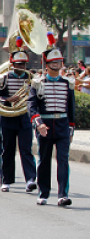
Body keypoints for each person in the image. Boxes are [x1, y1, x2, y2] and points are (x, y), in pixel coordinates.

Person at [28, 36, 75, 206]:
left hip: (62, 126)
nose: (57, 66)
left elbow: (71, 108)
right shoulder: (37, 83)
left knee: (63, 160)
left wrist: (71, 129)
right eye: (53, 63)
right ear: (46, 64)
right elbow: (31, 106)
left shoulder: (67, 83)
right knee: (44, 160)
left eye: (59, 62)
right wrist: (38, 123)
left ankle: (63, 194)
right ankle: (44, 192)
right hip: (45, 127)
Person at [0, 46, 37, 192]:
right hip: (7, 117)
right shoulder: (3, 78)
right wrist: (9, 99)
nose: (21, 67)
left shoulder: (31, 78)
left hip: (24, 118)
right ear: (12, 64)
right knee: (8, 150)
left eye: (23, 64)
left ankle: (31, 179)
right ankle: (6, 180)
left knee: (26, 150)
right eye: (18, 64)